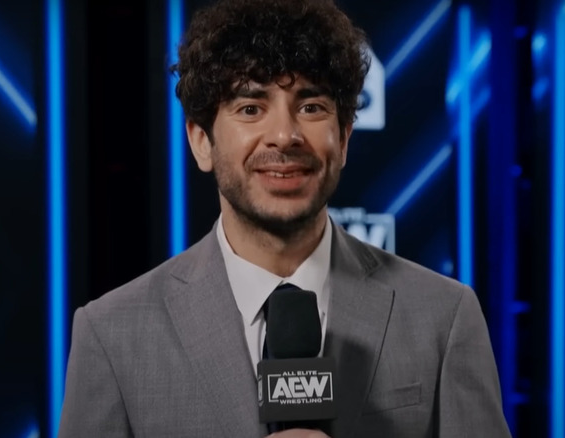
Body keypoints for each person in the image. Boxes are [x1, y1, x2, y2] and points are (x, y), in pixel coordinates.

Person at [58, 0, 512, 436]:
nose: (284, 135)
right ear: (201, 141)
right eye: (251, 108)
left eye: (311, 107)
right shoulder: (112, 335)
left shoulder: (444, 316)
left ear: (345, 137)